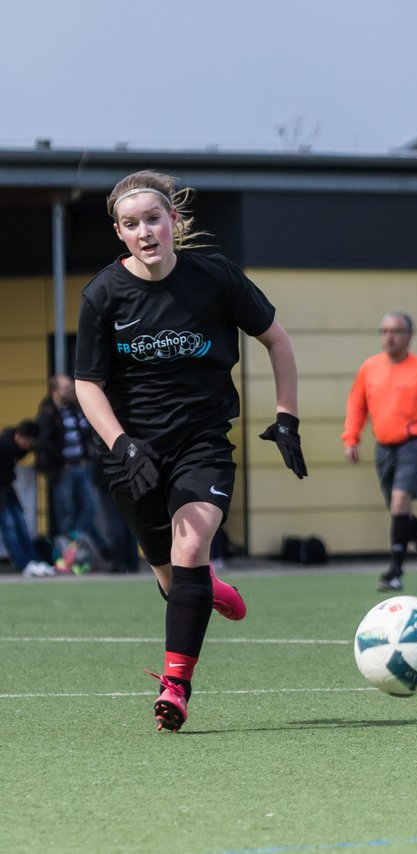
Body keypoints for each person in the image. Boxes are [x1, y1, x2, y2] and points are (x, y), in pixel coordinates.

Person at [75, 169, 308, 732]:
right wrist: (122, 443)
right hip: (134, 453)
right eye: (132, 225)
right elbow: (87, 383)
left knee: (191, 542)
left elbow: (276, 340)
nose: (146, 232)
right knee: (171, 574)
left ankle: (176, 685)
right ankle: (209, 586)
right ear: (120, 233)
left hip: (203, 442)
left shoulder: (216, 278)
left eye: (154, 219)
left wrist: (286, 418)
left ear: (173, 220)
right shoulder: (103, 294)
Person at [343, 312, 417, 591]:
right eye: (384, 330)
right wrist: (351, 438)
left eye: (396, 331)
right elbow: (356, 404)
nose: (389, 336)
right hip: (384, 447)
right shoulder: (369, 368)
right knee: (401, 513)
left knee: (400, 504)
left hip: (414, 444)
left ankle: (394, 572)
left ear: (408, 336)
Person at [35, 374, 106, 557]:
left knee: (89, 507)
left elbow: (86, 431)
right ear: (55, 391)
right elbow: (45, 443)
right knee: (65, 511)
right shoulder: (47, 412)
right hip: (63, 470)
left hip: (82, 466)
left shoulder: (75, 407)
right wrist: (61, 462)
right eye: (66, 388)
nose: (70, 391)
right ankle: (66, 553)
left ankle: (75, 538)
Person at [1, 420, 55, 578]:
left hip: (6, 484)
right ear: (18, 436)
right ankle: (24, 563)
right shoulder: (3, 445)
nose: (29, 445)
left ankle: (34, 560)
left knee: (20, 522)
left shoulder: (21, 445)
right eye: (28, 441)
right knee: (9, 525)